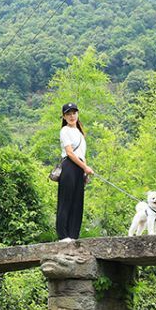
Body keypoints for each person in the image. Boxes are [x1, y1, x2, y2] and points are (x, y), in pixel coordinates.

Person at [55, 102, 94, 240]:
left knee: (78, 203)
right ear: (64, 117)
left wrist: (85, 171)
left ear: (77, 114)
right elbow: (70, 153)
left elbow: (82, 154)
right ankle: (63, 235)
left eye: (74, 113)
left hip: (79, 168)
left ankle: (73, 235)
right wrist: (85, 167)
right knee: (66, 201)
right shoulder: (64, 130)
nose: (72, 116)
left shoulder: (79, 132)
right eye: (68, 114)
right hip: (69, 167)